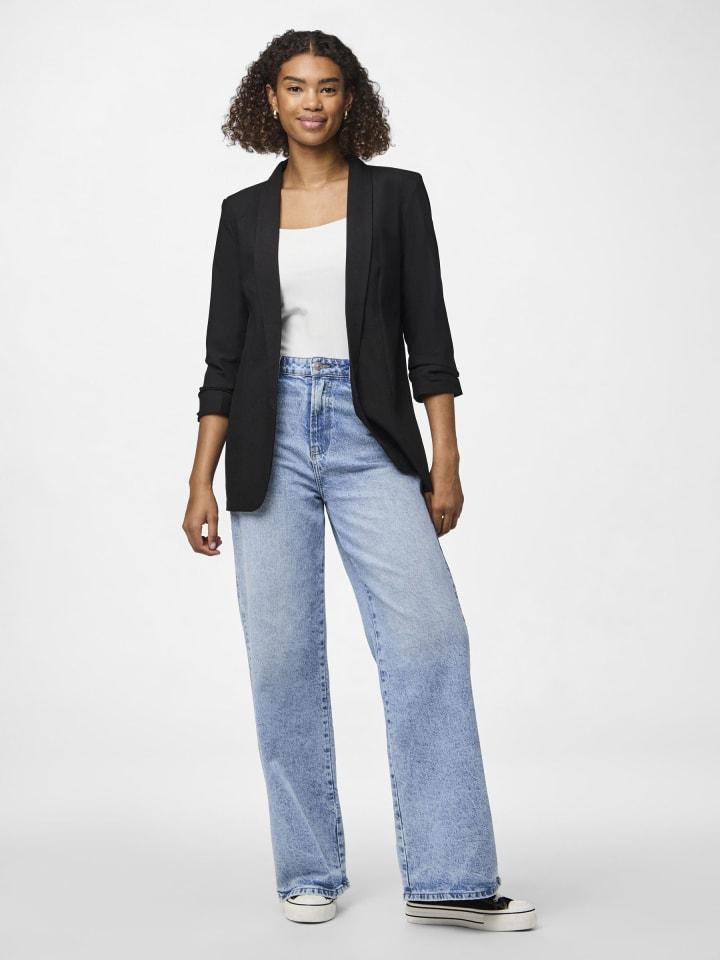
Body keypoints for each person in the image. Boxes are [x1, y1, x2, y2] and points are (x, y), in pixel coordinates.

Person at [182, 28, 537, 932]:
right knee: (282, 658)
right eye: (295, 86)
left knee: (429, 639)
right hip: (266, 437)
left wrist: (445, 455)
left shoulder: (396, 196)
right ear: (269, 99)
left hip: (369, 427)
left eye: (329, 86)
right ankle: (308, 869)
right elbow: (224, 359)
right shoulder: (241, 214)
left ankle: (451, 878)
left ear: (351, 99)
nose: (312, 101)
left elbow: (430, 335)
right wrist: (199, 477)